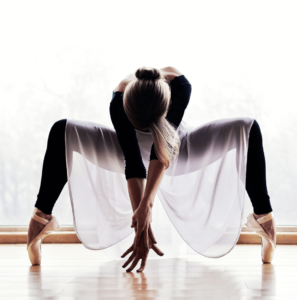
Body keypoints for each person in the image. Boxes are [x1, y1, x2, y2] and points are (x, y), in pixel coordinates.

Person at [27, 66, 276, 271]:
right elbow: (133, 162)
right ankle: (40, 220)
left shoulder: (181, 87)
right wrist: (141, 223)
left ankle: (265, 219)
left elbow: (161, 151)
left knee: (248, 127)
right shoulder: (118, 102)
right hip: (125, 151)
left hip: (178, 149)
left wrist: (146, 205)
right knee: (61, 130)